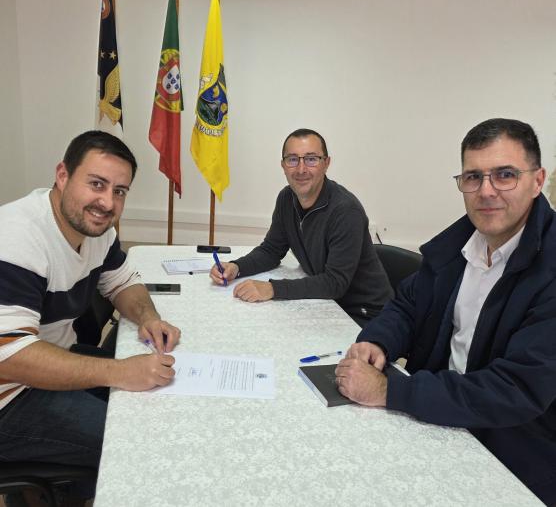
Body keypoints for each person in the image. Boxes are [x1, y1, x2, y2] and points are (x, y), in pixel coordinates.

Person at [335, 118, 556, 505]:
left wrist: (391, 390)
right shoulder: (460, 244)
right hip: (436, 420)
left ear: (537, 181)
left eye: (505, 175)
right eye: (473, 177)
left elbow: (516, 389)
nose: (486, 191)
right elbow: (407, 305)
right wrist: (378, 340)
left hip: (511, 455)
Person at [0, 131, 181, 505]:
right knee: (143, 442)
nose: (107, 202)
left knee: (164, 403)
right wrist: (120, 372)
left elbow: (123, 282)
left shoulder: (97, 229)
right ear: (62, 175)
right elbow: (10, 354)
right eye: (97, 184)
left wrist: (147, 317)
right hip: (10, 396)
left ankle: (69, 491)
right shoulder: (16, 237)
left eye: (119, 191)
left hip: (52, 362)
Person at [210, 128, 393, 326]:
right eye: (292, 159)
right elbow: (271, 250)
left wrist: (272, 289)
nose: (301, 169)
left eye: (311, 159)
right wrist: (237, 267)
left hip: (365, 315)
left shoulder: (346, 211)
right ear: (283, 165)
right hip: (326, 305)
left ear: (326, 163)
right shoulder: (286, 198)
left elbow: (335, 283)